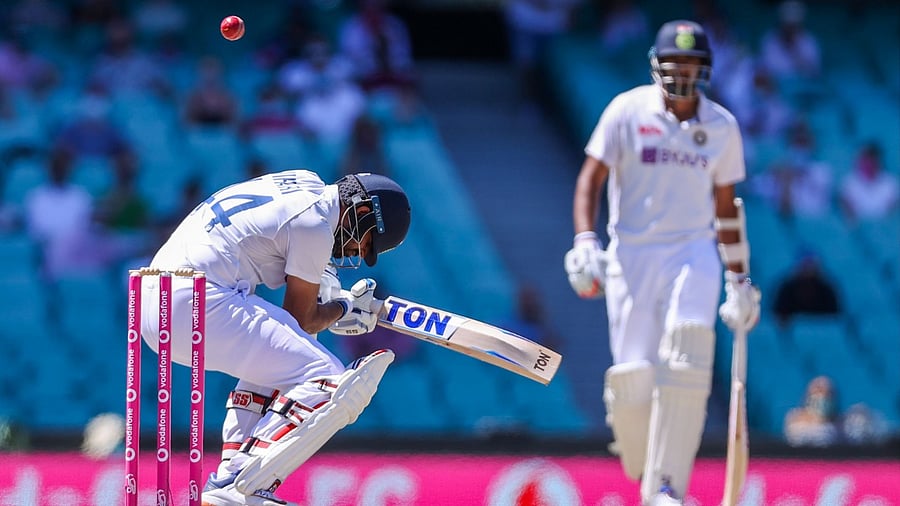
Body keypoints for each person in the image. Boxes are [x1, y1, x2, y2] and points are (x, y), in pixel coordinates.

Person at [564, 20, 760, 505]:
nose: (684, 75)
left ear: (706, 71)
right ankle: (640, 461)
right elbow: (591, 179)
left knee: (688, 346)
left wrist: (739, 278)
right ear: (657, 67)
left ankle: (668, 482)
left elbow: (725, 208)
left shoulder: (722, 127)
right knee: (634, 376)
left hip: (694, 250)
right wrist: (586, 240)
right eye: (676, 65)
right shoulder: (627, 111)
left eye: (693, 65)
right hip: (630, 254)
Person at [140, 169, 411, 505]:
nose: (356, 248)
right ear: (361, 211)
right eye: (366, 239)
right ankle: (241, 477)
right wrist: (343, 307)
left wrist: (327, 290)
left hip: (156, 296)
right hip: (197, 298)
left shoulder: (304, 182)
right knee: (326, 376)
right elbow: (303, 320)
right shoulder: (315, 223)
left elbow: (274, 246)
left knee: (282, 367)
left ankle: (228, 477)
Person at [772, 249, 840, 327]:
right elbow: (778, 316)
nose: (808, 270)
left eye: (810, 265)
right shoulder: (787, 290)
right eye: (805, 265)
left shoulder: (827, 290)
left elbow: (834, 318)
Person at [783, 375, 839, 447]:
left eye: (828, 393)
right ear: (807, 396)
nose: (822, 396)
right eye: (818, 391)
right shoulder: (793, 422)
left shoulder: (842, 428)